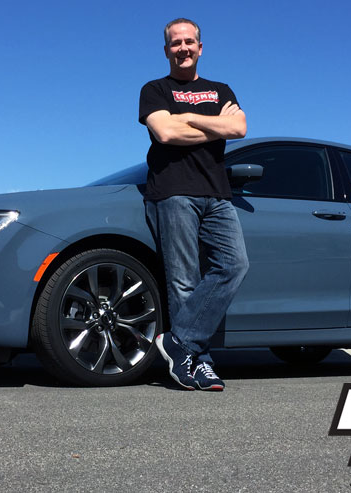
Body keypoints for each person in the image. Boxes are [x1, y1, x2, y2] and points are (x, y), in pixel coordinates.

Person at [138, 18, 249, 391]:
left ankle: (177, 342)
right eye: (175, 43)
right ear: (166, 50)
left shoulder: (221, 89)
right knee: (183, 281)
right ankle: (197, 363)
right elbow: (165, 132)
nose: (183, 48)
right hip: (172, 191)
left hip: (217, 194)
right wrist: (210, 123)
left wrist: (186, 117)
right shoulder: (154, 89)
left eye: (189, 42)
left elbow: (239, 129)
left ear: (201, 47)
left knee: (235, 265)